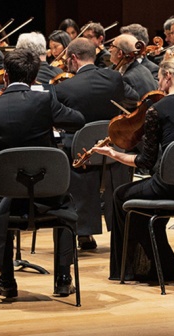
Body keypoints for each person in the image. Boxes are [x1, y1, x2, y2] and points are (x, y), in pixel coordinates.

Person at [95, 55, 174, 283]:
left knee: (121, 196)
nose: (157, 85)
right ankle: (158, 266)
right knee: (144, 209)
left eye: (158, 78)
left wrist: (115, 154)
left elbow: (145, 162)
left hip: (169, 187)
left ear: (167, 76)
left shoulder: (157, 110)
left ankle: (129, 270)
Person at [0, 48, 85, 300]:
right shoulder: (44, 101)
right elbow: (77, 120)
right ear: (35, 78)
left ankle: (6, 281)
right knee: (67, 202)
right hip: (48, 195)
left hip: (6, 200)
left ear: (4, 76)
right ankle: (63, 279)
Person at [51, 37, 133, 250]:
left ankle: (83, 233)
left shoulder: (63, 88)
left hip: (82, 153)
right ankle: (120, 230)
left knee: (68, 150)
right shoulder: (115, 78)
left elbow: (57, 120)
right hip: (112, 148)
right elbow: (132, 100)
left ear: (73, 59)